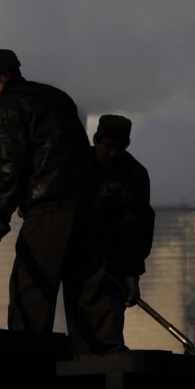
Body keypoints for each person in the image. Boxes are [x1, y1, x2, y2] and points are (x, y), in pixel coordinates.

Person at [0, 48, 123, 353]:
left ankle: (27, 359)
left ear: (4, 76)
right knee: (89, 291)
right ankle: (109, 360)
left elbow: (12, 167)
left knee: (31, 289)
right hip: (86, 208)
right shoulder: (59, 97)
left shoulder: (9, 107)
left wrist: (0, 214)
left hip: (48, 210)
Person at [67, 114, 155, 352]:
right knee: (79, 334)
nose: (113, 153)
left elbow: (138, 227)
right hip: (78, 264)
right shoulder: (76, 163)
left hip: (113, 269)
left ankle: (109, 379)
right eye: (108, 147)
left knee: (109, 333)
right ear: (96, 140)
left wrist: (132, 274)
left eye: (120, 148)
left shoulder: (135, 175)